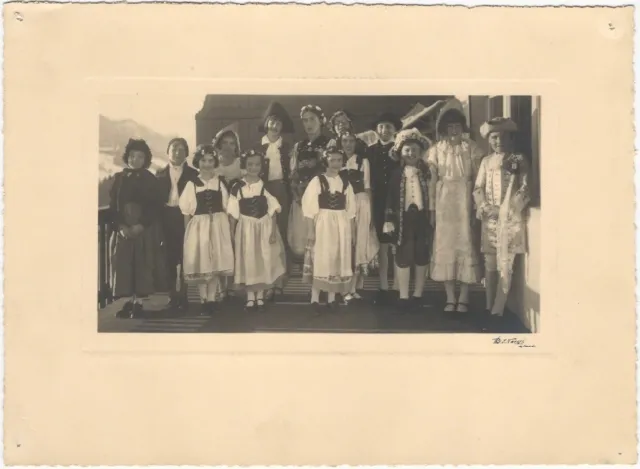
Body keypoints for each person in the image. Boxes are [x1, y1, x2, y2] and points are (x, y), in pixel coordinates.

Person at [426, 98, 484, 315]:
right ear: (443, 129)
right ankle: (450, 297)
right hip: (443, 202)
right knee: (445, 247)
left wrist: (477, 206)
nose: (453, 130)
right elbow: (431, 181)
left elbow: (479, 180)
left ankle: (465, 297)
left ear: (463, 127)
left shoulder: (472, 148)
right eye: (449, 127)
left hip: (465, 201)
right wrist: (432, 210)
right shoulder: (436, 150)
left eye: (457, 126)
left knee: (466, 245)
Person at [473, 117, 530, 321]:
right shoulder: (486, 161)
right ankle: (489, 307)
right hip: (490, 218)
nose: (499, 141)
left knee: (506, 262)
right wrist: (485, 206)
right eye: (495, 137)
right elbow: (478, 187)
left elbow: (525, 188)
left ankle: (501, 308)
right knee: (490, 261)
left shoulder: (518, 159)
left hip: (510, 219)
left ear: (512, 138)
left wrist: (508, 209)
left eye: (504, 137)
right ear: (489, 140)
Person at [109, 138, 168, 318]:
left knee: (142, 262)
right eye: (132, 156)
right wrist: (120, 226)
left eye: (140, 157)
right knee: (125, 263)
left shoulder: (150, 179)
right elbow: (114, 205)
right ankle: (128, 301)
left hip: (143, 227)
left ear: (146, 160)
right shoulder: (119, 179)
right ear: (127, 157)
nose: (135, 160)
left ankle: (139, 303)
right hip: (124, 228)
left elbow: (155, 206)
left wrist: (141, 224)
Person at [228, 149, 287, 311]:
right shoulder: (237, 187)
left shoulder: (265, 186)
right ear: (244, 166)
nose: (254, 168)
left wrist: (274, 232)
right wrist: (232, 233)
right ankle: (249, 297)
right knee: (248, 260)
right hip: (246, 229)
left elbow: (274, 211)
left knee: (262, 259)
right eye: (250, 165)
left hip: (263, 227)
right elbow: (232, 214)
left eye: (257, 165)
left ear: (262, 166)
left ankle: (260, 296)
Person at [179, 144, 234, 315]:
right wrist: (187, 234)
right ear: (198, 162)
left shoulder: (219, 183)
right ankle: (203, 299)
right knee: (202, 263)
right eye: (203, 161)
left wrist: (228, 230)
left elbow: (228, 206)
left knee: (215, 263)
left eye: (211, 161)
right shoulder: (192, 184)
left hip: (217, 226)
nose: (207, 164)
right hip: (199, 228)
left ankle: (212, 298)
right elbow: (186, 211)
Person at [301, 146, 356, 312]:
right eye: (332, 159)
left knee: (336, 257)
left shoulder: (345, 183)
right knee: (321, 257)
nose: (336, 163)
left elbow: (351, 210)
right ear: (325, 160)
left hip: (341, 223)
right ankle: (315, 298)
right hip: (323, 223)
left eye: (339, 160)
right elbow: (309, 208)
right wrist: (311, 230)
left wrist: (352, 232)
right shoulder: (317, 181)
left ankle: (332, 298)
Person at [382, 129, 432, 311]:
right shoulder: (397, 174)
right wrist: (389, 219)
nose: (411, 154)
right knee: (403, 253)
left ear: (420, 152)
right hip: (403, 219)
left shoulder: (426, 172)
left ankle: (418, 293)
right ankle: (403, 295)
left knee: (421, 253)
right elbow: (390, 197)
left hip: (422, 218)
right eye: (407, 150)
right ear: (401, 153)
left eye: (414, 150)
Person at [156, 137, 198, 313]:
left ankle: (185, 295)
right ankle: (172, 295)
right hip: (166, 217)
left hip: (185, 217)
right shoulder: (159, 174)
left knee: (186, 256)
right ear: (168, 152)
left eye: (181, 149)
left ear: (186, 153)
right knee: (169, 257)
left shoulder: (193, 175)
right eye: (174, 148)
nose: (177, 152)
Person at [257, 101, 294, 300]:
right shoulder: (257, 147)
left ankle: (281, 281)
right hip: (262, 193)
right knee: (265, 236)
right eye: (271, 121)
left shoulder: (287, 148)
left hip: (282, 191)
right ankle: (267, 280)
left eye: (278, 122)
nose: (274, 126)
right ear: (266, 124)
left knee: (281, 234)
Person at [338, 130, 379, 303]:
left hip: (360, 202)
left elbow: (367, 187)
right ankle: (343, 288)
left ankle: (354, 287)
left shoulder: (363, 161)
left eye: (351, 141)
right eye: (345, 141)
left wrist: (369, 214)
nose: (348, 144)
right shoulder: (336, 161)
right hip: (342, 205)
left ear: (356, 143)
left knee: (359, 244)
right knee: (346, 244)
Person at [368, 111, 403, 304]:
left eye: (389, 126)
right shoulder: (370, 151)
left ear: (395, 130)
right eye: (381, 126)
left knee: (396, 241)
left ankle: (398, 283)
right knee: (382, 243)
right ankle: (383, 283)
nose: (384, 130)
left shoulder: (400, 150)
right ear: (376, 130)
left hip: (397, 199)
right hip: (379, 199)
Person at [288, 104, 331, 261]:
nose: (308, 124)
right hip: (302, 197)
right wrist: (297, 195)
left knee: (322, 238)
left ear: (320, 121)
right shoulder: (299, 146)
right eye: (305, 120)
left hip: (322, 198)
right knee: (303, 239)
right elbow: (293, 173)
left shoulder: (329, 144)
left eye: (312, 119)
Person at [212, 126, 244, 300]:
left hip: (236, 212)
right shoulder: (212, 163)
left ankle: (231, 284)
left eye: (232, 143)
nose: (228, 147)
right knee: (219, 247)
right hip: (217, 211)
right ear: (218, 144)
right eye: (224, 142)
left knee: (233, 246)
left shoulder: (240, 164)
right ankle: (220, 286)